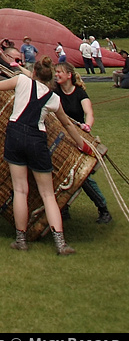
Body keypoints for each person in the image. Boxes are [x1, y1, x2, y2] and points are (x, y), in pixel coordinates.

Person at [0, 55, 92, 254]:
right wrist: (83, 145)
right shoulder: (54, 98)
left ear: (33, 72)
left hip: (15, 134)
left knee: (20, 190)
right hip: (37, 139)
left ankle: (21, 239)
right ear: (50, 77)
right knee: (48, 194)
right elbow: (68, 124)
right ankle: (60, 243)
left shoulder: (21, 80)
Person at [53, 62, 114, 226]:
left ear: (69, 75)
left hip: (79, 139)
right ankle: (63, 208)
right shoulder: (55, 92)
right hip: (61, 139)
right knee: (60, 174)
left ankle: (103, 208)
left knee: (83, 176)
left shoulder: (79, 93)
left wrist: (87, 125)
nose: (56, 74)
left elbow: (89, 112)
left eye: (59, 72)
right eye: (55, 72)